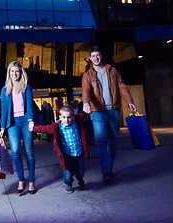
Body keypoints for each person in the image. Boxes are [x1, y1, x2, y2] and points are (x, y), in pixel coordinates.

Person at [82, 45, 137, 183]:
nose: (96, 58)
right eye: (93, 56)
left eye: (97, 55)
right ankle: (106, 171)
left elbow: (122, 86)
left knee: (112, 141)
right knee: (101, 141)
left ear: (101, 56)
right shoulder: (87, 75)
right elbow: (86, 90)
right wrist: (86, 103)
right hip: (97, 112)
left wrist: (129, 101)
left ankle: (109, 167)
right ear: (90, 58)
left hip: (113, 110)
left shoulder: (112, 70)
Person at [30, 105, 89, 194]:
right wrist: (34, 128)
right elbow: (45, 128)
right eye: (64, 117)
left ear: (73, 117)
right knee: (67, 173)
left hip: (79, 153)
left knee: (81, 170)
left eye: (69, 117)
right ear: (60, 117)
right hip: (66, 155)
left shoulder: (77, 121)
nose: (67, 120)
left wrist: (85, 111)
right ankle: (68, 184)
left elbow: (81, 115)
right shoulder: (57, 127)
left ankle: (80, 179)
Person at [0, 61, 36, 194]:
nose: (14, 73)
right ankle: (21, 179)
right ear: (9, 73)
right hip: (12, 123)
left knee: (29, 151)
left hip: (26, 121)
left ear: (21, 73)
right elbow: (4, 109)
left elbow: (30, 105)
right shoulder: (5, 90)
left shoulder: (26, 86)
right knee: (15, 151)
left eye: (17, 71)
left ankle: (31, 181)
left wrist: (31, 120)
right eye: (12, 71)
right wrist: (2, 127)